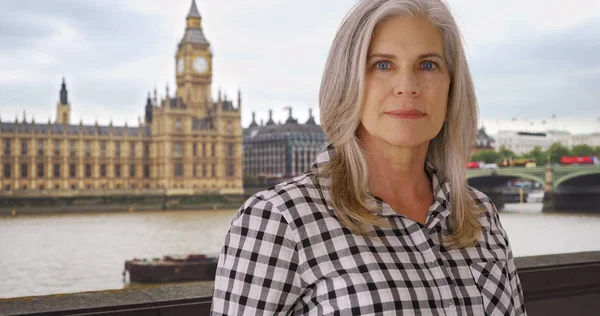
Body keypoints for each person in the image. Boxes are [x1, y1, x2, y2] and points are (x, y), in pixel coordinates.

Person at [212, 0, 527, 314]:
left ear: (452, 86)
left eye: (428, 65)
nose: (407, 86)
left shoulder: (480, 215)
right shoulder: (277, 221)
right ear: (349, 82)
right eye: (383, 65)